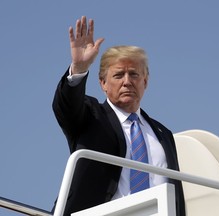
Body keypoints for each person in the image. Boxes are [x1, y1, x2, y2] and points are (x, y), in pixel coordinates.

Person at [52, 16, 186, 216]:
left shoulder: (163, 134)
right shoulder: (91, 115)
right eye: (118, 75)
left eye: (134, 75)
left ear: (145, 82)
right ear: (103, 84)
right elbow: (66, 106)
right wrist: (79, 69)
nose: (127, 82)